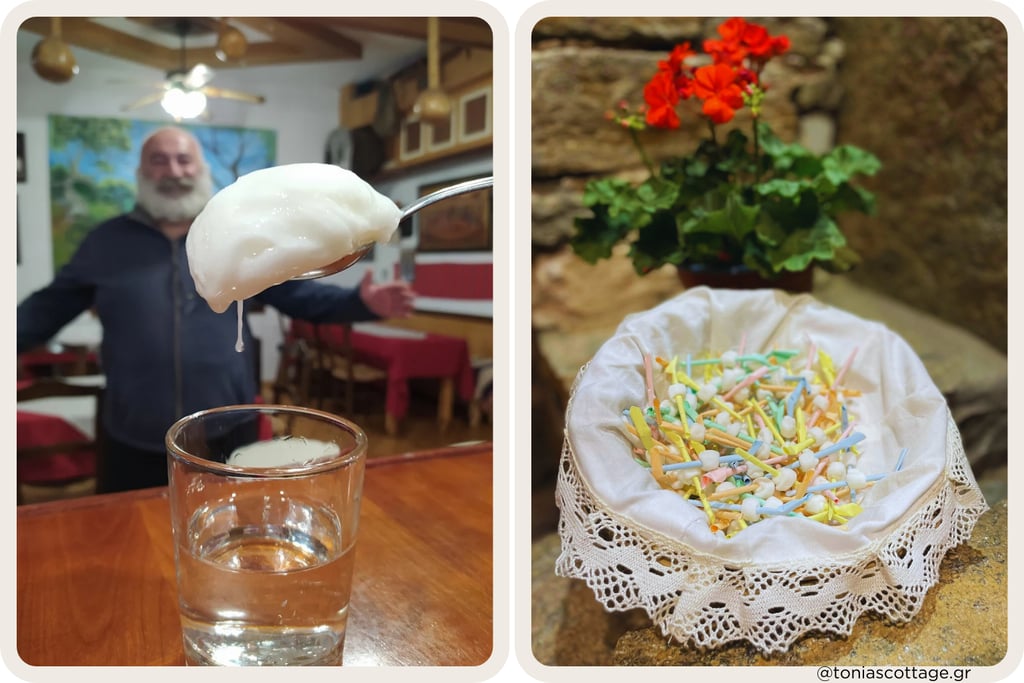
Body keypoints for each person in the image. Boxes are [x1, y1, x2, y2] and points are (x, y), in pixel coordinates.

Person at [17, 126, 416, 493]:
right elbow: (48, 307)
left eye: (184, 159)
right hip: (134, 434)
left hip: (229, 429)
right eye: (159, 160)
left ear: (201, 168)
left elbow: (299, 297)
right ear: (140, 172)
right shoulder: (105, 242)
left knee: (231, 540)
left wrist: (360, 303)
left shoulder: (239, 238)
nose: (173, 170)